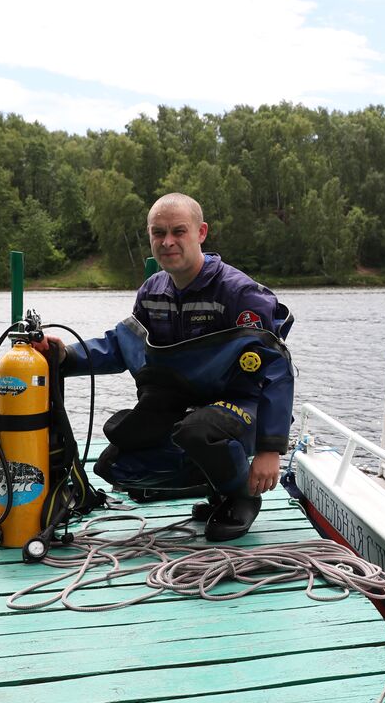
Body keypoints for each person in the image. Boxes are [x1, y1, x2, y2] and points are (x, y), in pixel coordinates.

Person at [41, 193, 293, 542]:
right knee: (116, 464)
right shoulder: (151, 291)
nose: (168, 241)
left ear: (201, 232)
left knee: (198, 430)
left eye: (179, 231)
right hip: (188, 409)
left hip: (246, 409)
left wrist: (270, 449)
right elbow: (120, 345)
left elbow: (277, 372)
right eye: (158, 233)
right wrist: (66, 355)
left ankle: (242, 497)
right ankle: (216, 489)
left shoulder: (240, 293)